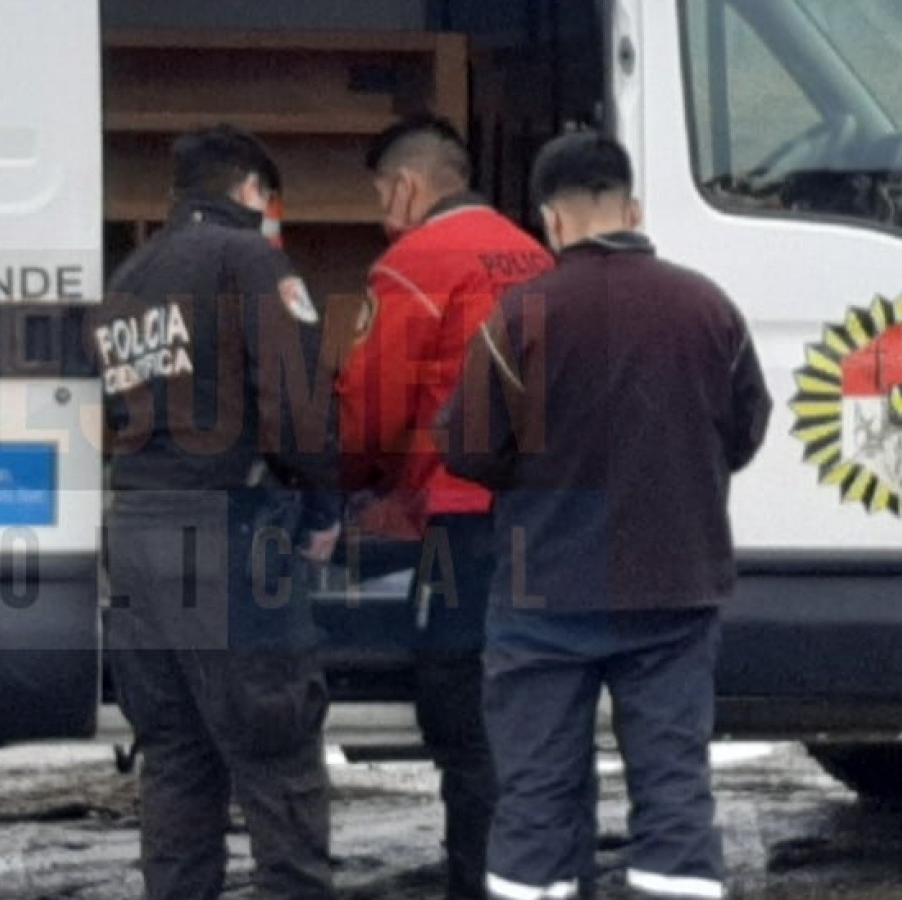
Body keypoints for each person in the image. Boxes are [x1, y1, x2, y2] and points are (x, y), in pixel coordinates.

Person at [439, 131, 772, 900]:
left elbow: (466, 450)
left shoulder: (519, 316)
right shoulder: (707, 307)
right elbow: (746, 428)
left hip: (545, 594)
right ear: (633, 208)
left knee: (536, 799)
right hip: (675, 588)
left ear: (550, 222)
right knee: (675, 795)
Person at [96, 124, 343, 900]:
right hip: (230, 534)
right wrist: (323, 509)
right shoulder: (250, 261)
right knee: (277, 753)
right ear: (249, 193)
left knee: (175, 757)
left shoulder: (127, 278)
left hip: (137, 531)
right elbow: (298, 410)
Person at [336, 115, 553, 900]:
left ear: (408, 185)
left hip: (463, 522)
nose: (378, 211)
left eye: (379, 193)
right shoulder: (535, 255)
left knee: (464, 722)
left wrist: (341, 489)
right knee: (534, 719)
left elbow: (371, 406)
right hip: (546, 519)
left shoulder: (413, 263)